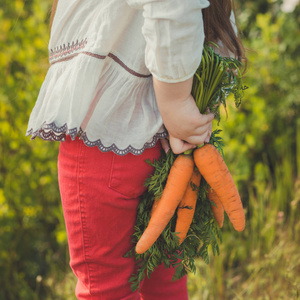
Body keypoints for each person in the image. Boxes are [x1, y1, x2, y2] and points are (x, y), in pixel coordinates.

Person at [26, 0, 246, 299]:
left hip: (109, 135)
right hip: (170, 144)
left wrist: (176, 101)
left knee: (107, 289)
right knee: (165, 286)